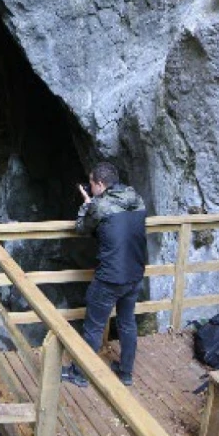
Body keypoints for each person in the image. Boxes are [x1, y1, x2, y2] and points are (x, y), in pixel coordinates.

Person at [61, 161, 148, 388]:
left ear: (100, 184)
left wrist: (87, 204)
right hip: (135, 273)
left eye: (92, 185)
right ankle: (126, 372)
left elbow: (81, 228)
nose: (91, 189)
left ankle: (80, 374)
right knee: (127, 323)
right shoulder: (136, 198)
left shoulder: (100, 205)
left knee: (94, 327)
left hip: (110, 277)